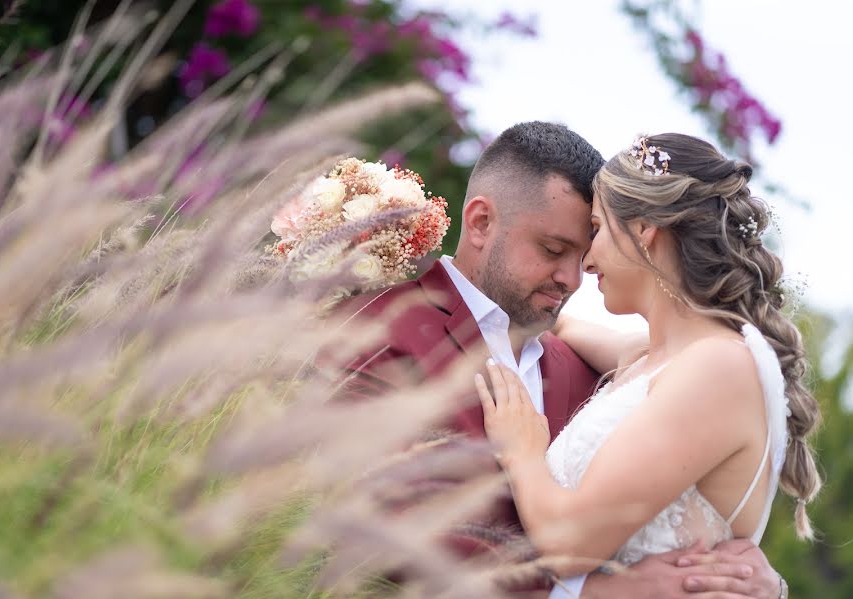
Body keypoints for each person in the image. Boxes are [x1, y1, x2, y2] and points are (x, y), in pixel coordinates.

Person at [336, 123, 786, 597]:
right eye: (553, 250)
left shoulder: (604, 378)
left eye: (590, 240)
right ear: (481, 222)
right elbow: (381, 528)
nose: (575, 277)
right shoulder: (375, 329)